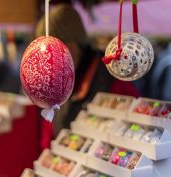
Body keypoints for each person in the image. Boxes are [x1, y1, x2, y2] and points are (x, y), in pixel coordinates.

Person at [36, 3, 140, 150]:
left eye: (56, 50)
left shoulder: (112, 79)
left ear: (75, 45)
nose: (50, 60)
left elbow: (132, 133)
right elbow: (48, 136)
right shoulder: (55, 82)